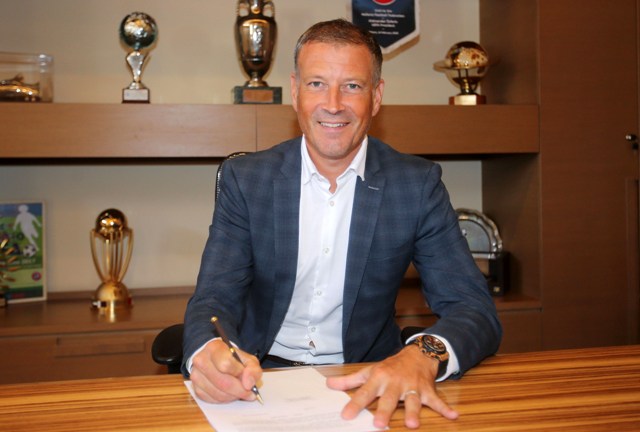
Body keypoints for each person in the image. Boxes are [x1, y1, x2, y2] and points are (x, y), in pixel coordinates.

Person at [183, 18, 501, 429]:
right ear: (295, 91)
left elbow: (473, 308)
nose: (333, 104)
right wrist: (208, 352)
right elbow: (213, 300)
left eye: (352, 85)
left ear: (377, 96)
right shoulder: (247, 181)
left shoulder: (416, 185)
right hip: (259, 379)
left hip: (369, 377)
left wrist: (421, 355)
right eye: (317, 84)